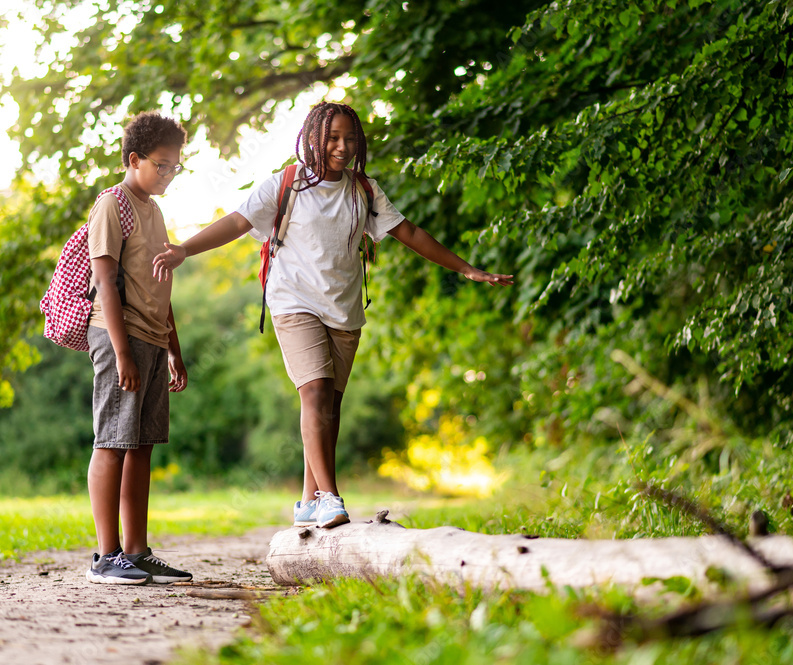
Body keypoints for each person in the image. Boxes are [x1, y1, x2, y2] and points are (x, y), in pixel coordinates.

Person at [152, 101, 513, 529]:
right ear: (313, 138)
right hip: (293, 302)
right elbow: (235, 222)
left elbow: (409, 232)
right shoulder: (285, 184)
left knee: (330, 407)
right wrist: (185, 250)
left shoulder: (364, 190)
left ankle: (308, 500)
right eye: (333, 137)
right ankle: (329, 496)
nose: (342, 146)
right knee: (317, 393)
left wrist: (467, 268)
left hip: (343, 309)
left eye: (350, 138)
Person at [84, 111, 194, 584]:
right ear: (134, 159)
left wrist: (174, 347)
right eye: (162, 166)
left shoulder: (155, 209)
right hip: (119, 336)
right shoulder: (113, 204)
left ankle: (136, 550)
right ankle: (106, 556)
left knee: (142, 444)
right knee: (113, 440)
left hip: (151, 337)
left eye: (175, 167)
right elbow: (105, 281)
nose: (169, 174)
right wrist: (122, 351)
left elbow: (160, 283)